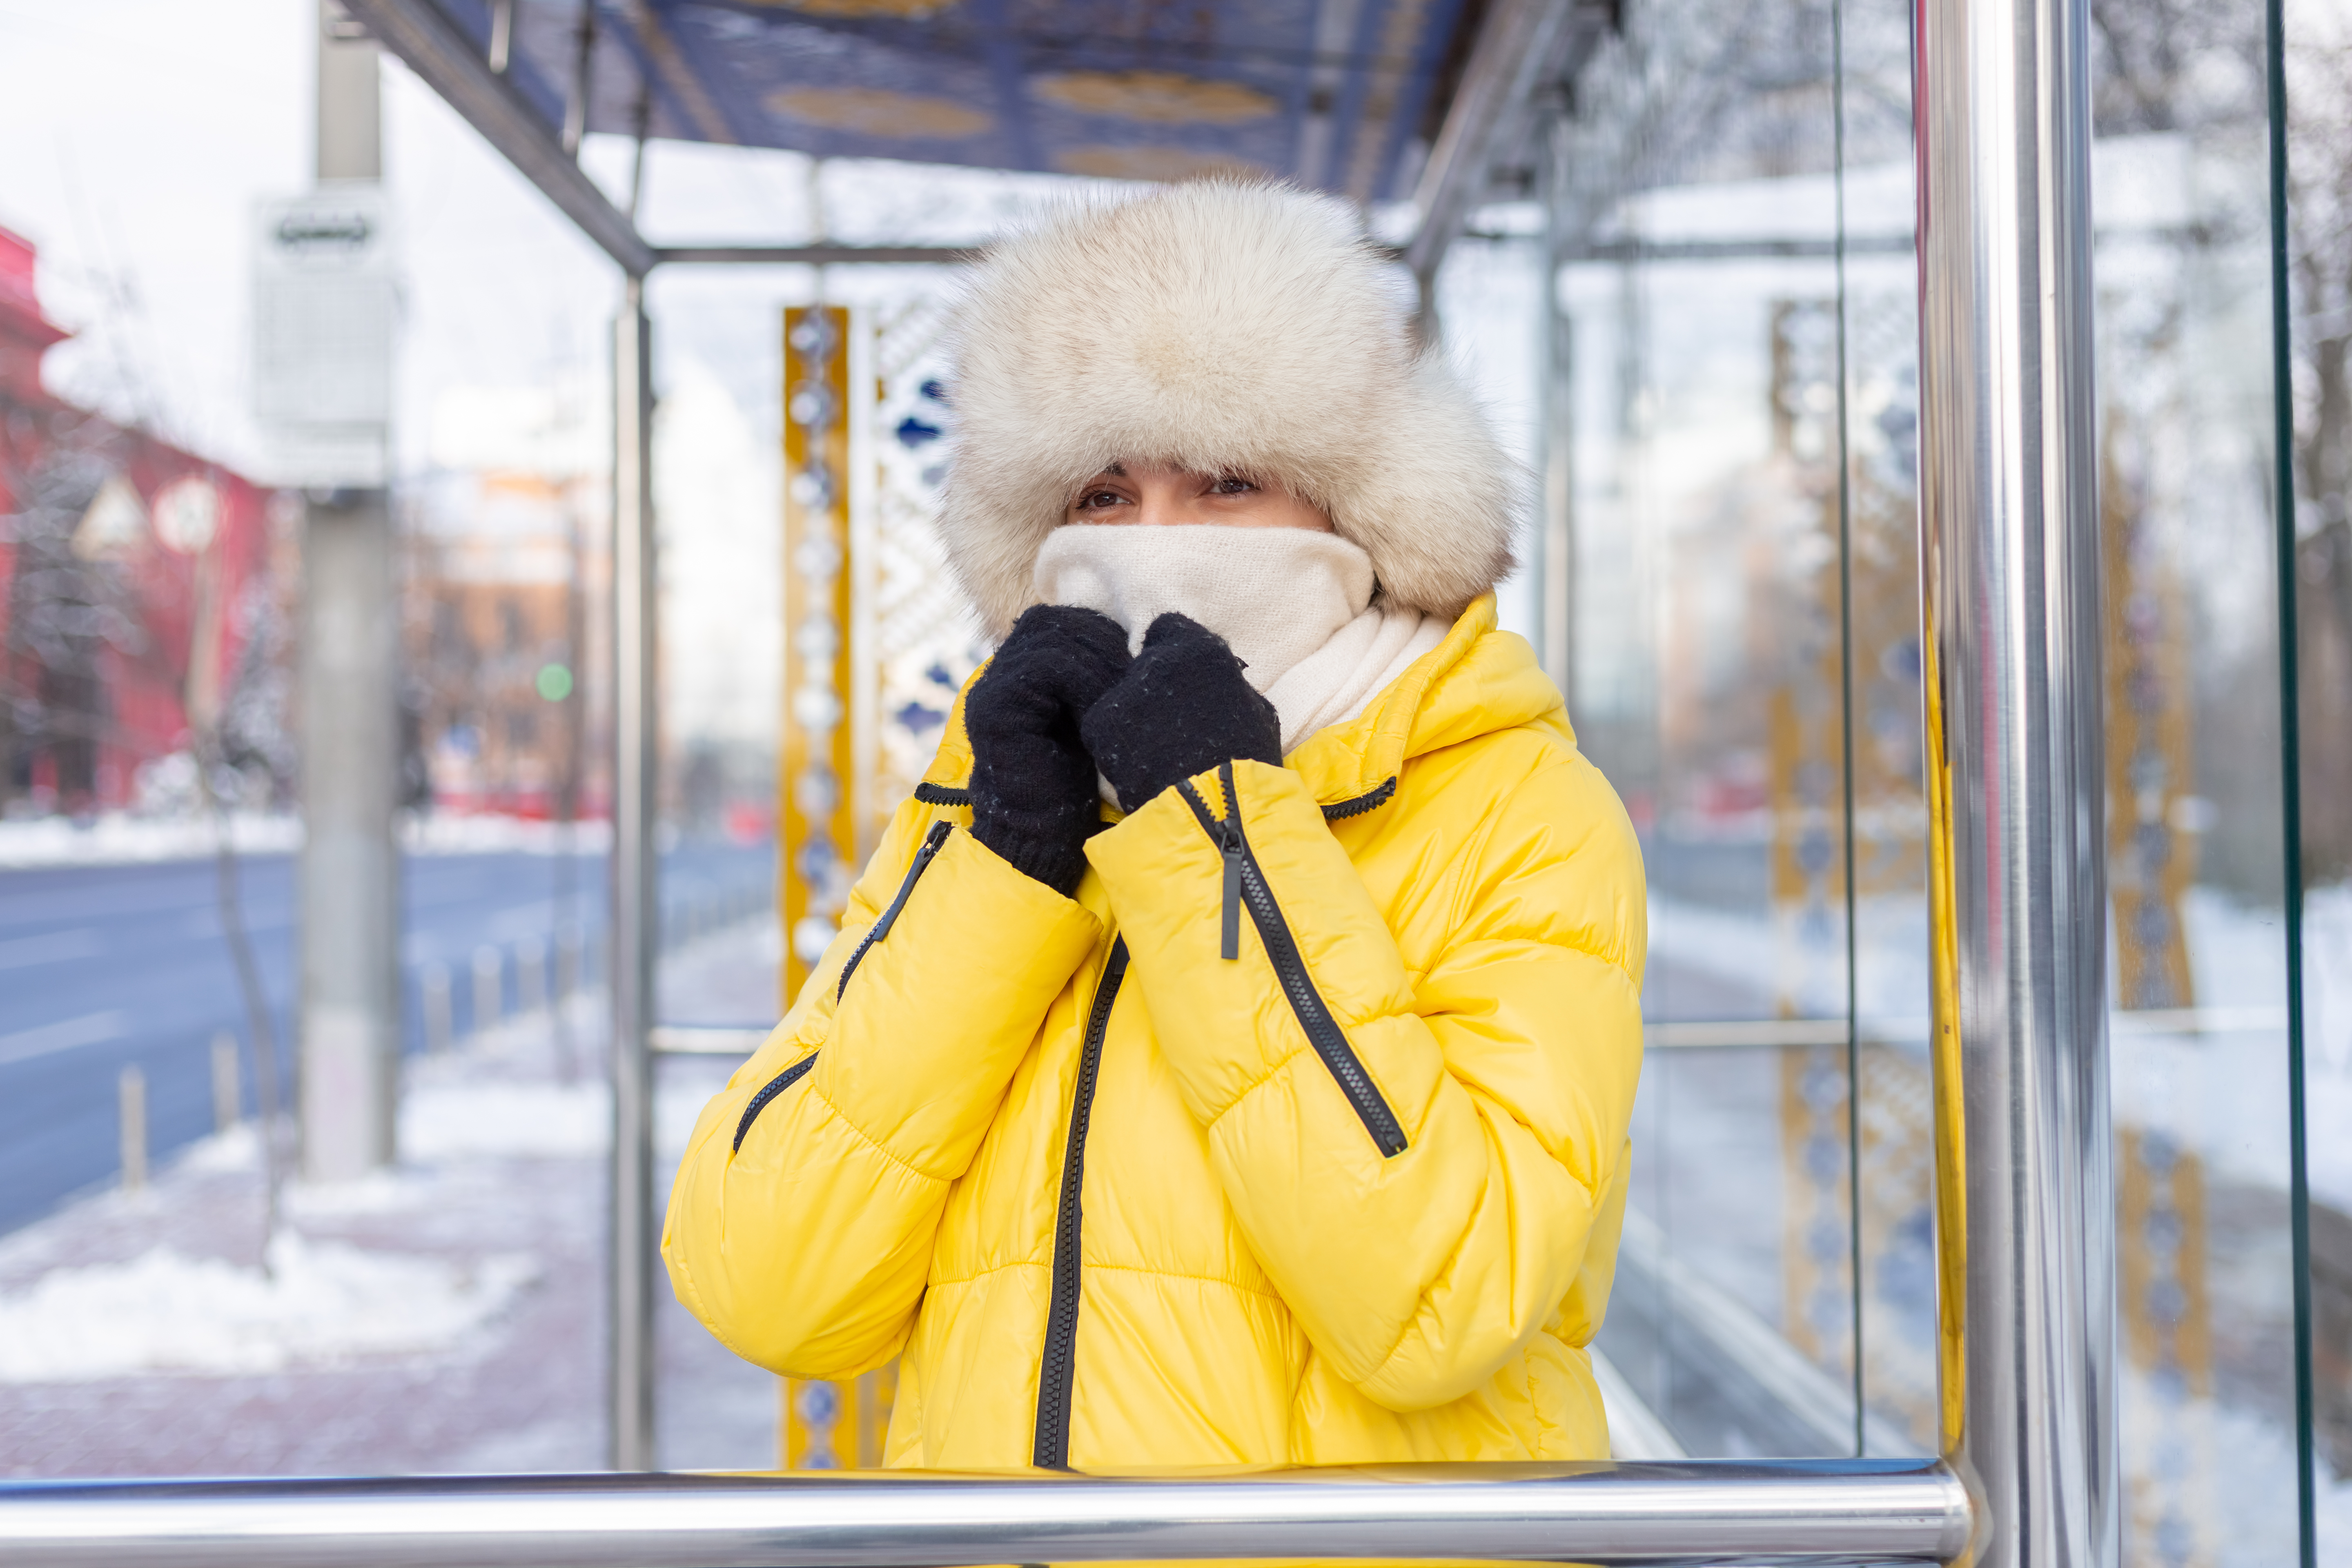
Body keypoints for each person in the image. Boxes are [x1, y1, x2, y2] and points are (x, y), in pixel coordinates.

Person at [663, 179, 1646, 1470]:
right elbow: (767, 1283)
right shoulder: (1005, 794)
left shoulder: (1516, 807)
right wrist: (1004, 867)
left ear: (1357, 506)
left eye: (1229, 481)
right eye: (1105, 495)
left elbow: (1442, 1297)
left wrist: (1216, 831)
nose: (1159, 543)